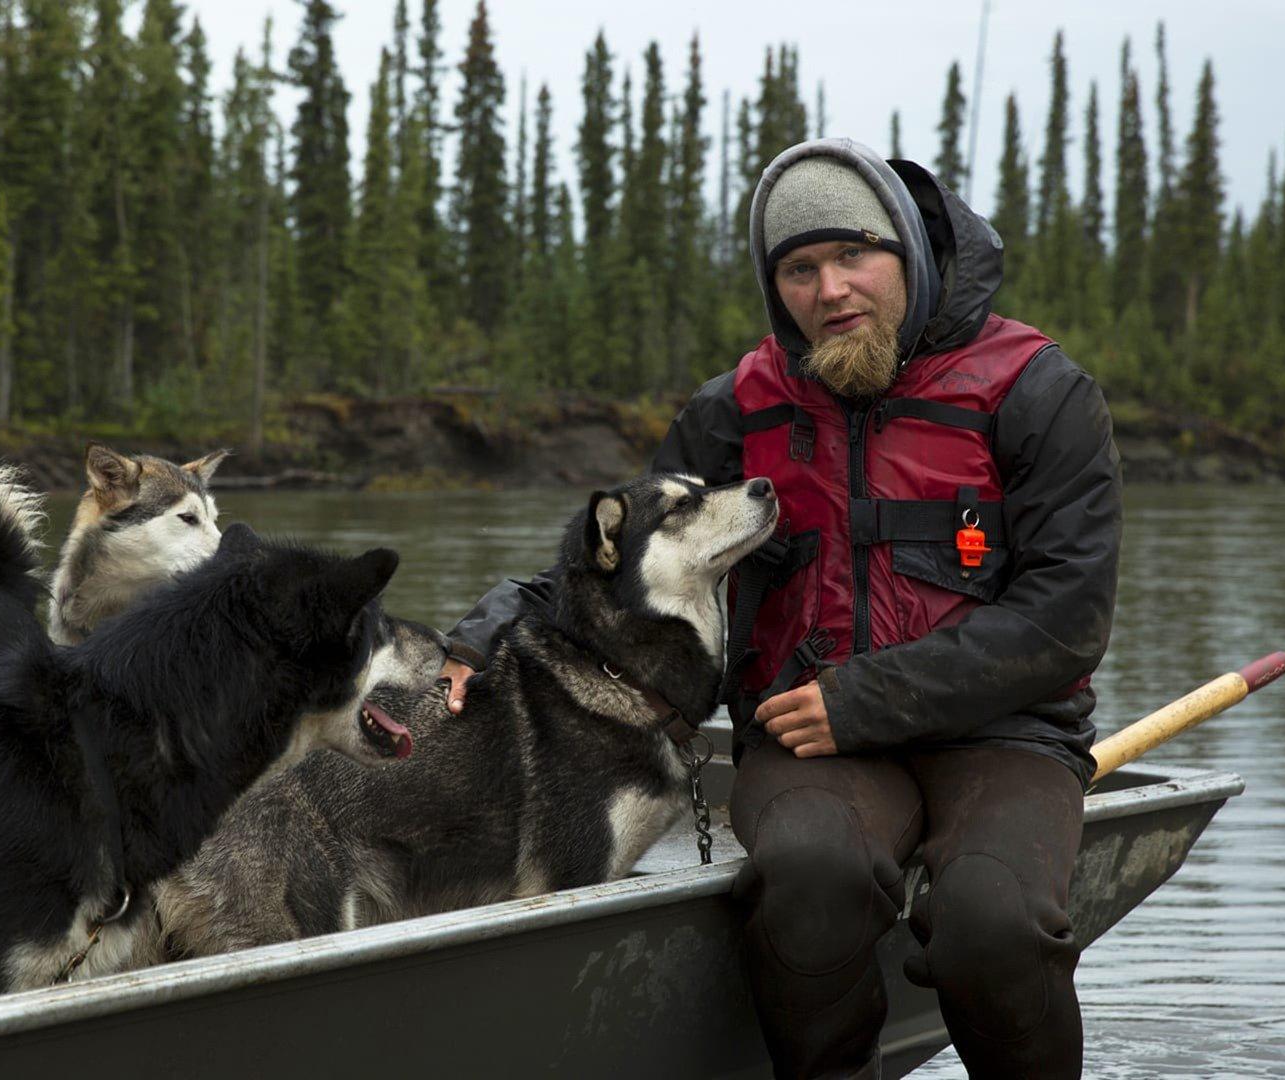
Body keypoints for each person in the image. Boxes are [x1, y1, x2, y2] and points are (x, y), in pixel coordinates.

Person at [439, 137, 1120, 1078]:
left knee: (993, 924)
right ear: (776, 288)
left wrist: (865, 699)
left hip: (1005, 739)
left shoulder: (1038, 392)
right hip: (803, 742)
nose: (830, 289)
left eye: (854, 257)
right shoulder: (735, 410)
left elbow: (1065, 618)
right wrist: (482, 632)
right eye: (799, 268)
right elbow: (619, 572)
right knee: (809, 877)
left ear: (909, 257)